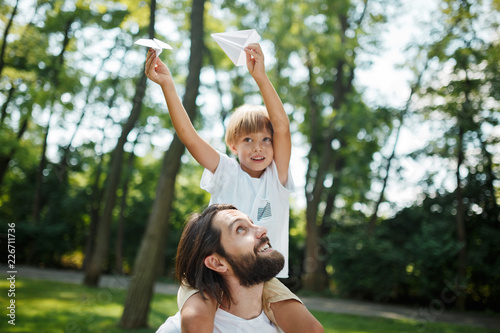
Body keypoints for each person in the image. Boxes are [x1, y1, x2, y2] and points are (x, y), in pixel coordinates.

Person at [145, 43, 323, 333]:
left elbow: (283, 126)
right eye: (248, 140)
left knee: (311, 329)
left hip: (258, 275)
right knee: (196, 320)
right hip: (212, 273)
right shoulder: (226, 171)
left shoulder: (277, 178)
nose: (258, 148)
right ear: (233, 145)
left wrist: (261, 76)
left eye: (266, 140)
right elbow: (189, 137)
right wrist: (167, 84)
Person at [156, 204, 322, 333]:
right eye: (240, 229)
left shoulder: (285, 326)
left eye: (252, 223)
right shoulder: (176, 330)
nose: (262, 229)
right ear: (217, 263)